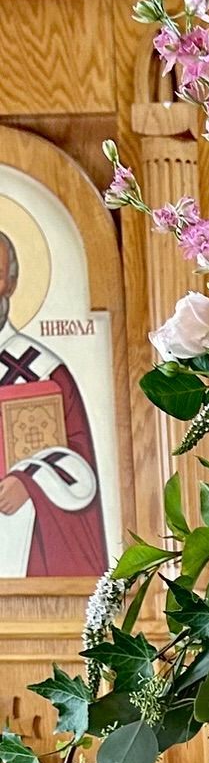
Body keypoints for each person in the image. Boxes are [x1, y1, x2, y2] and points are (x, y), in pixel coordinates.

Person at [0, 230, 107, 577]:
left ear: (10, 283)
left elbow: (79, 460)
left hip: (24, 547)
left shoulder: (40, 370)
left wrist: (28, 480)